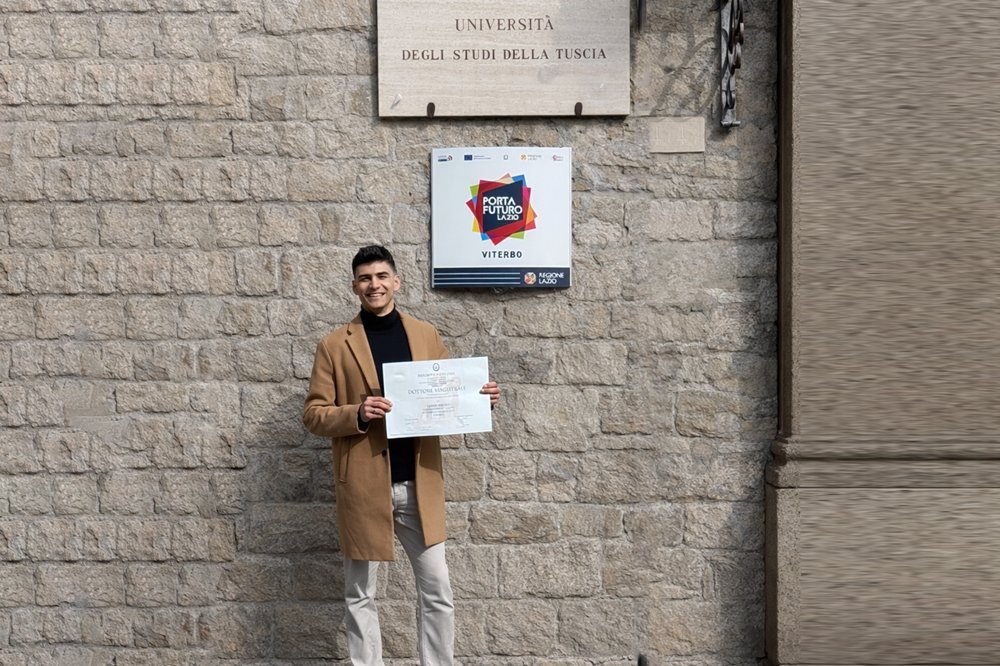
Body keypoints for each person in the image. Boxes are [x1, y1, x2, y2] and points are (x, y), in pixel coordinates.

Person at [303, 245, 500, 665]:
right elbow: (314, 415)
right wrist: (356, 413)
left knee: (437, 591)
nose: (373, 285)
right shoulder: (334, 345)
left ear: (396, 281)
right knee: (360, 594)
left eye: (380, 276)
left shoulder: (425, 335)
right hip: (363, 488)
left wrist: (480, 398)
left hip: (418, 484)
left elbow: (450, 395)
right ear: (354, 286)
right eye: (364, 278)